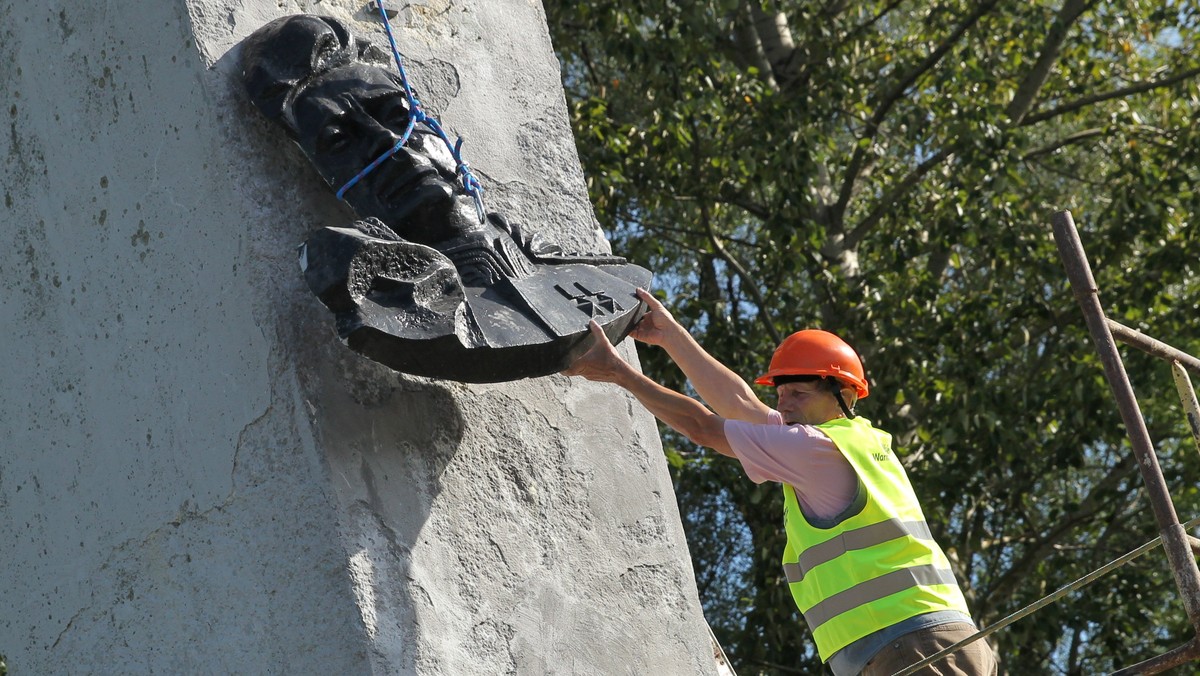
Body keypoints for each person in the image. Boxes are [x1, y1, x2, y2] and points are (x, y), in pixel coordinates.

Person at [564, 288, 998, 676]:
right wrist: (671, 335)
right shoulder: (852, 441)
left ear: (843, 397)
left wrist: (620, 374)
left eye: (799, 394)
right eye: (781, 393)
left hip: (913, 648)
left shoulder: (816, 449)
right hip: (921, 645)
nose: (784, 405)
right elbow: (740, 403)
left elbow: (705, 428)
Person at [239, 14, 650, 382]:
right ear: (327, 177)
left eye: (398, 116)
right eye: (339, 139)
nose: (389, 143)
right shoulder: (384, 305)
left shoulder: (613, 281)